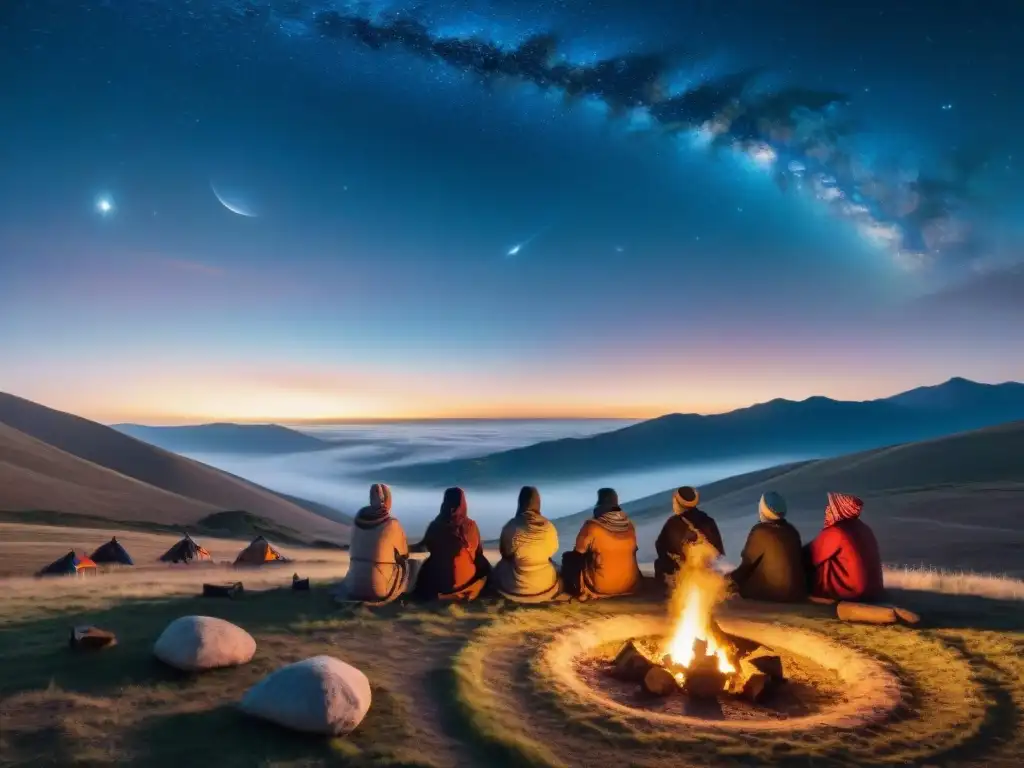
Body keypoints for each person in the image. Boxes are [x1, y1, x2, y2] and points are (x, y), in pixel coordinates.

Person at [412, 487, 490, 601]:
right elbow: (478, 553)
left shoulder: (435, 526)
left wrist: (405, 548)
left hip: (439, 585)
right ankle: (481, 591)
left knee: (427, 564)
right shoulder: (471, 525)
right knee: (483, 563)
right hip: (464, 583)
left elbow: (423, 547)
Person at [562, 488, 641, 600]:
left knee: (569, 558)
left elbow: (578, 553)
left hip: (602, 587)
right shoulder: (630, 526)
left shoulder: (592, 526)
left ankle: (578, 591)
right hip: (629, 585)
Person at [804, 492, 884, 602]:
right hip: (875, 590)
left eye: (830, 507)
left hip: (852, 592)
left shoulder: (837, 531)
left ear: (838, 510)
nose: (827, 510)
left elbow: (810, 555)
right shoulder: (864, 528)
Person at [728, 491, 807, 603]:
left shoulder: (760, 532)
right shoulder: (792, 530)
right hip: (795, 592)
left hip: (772, 593)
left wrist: (729, 581)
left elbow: (747, 564)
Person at [338, 483, 410, 604]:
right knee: (408, 564)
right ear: (388, 499)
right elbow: (404, 554)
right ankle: (402, 593)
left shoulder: (356, 521)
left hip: (352, 587)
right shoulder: (392, 524)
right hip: (379, 591)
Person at [491, 486, 561, 602]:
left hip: (514, 590)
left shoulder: (511, 526)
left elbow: (505, 554)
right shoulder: (549, 527)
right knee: (556, 567)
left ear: (520, 503)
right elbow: (552, 551)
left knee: (499, 567)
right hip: (545, 588)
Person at [653, 485, 725, 585]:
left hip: (683, 576)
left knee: (659, 563)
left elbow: (660, 546)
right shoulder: (708, 521)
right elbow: (719, 552)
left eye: (674, 501)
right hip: (707, 575)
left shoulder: (672, 523)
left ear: (677, 503)